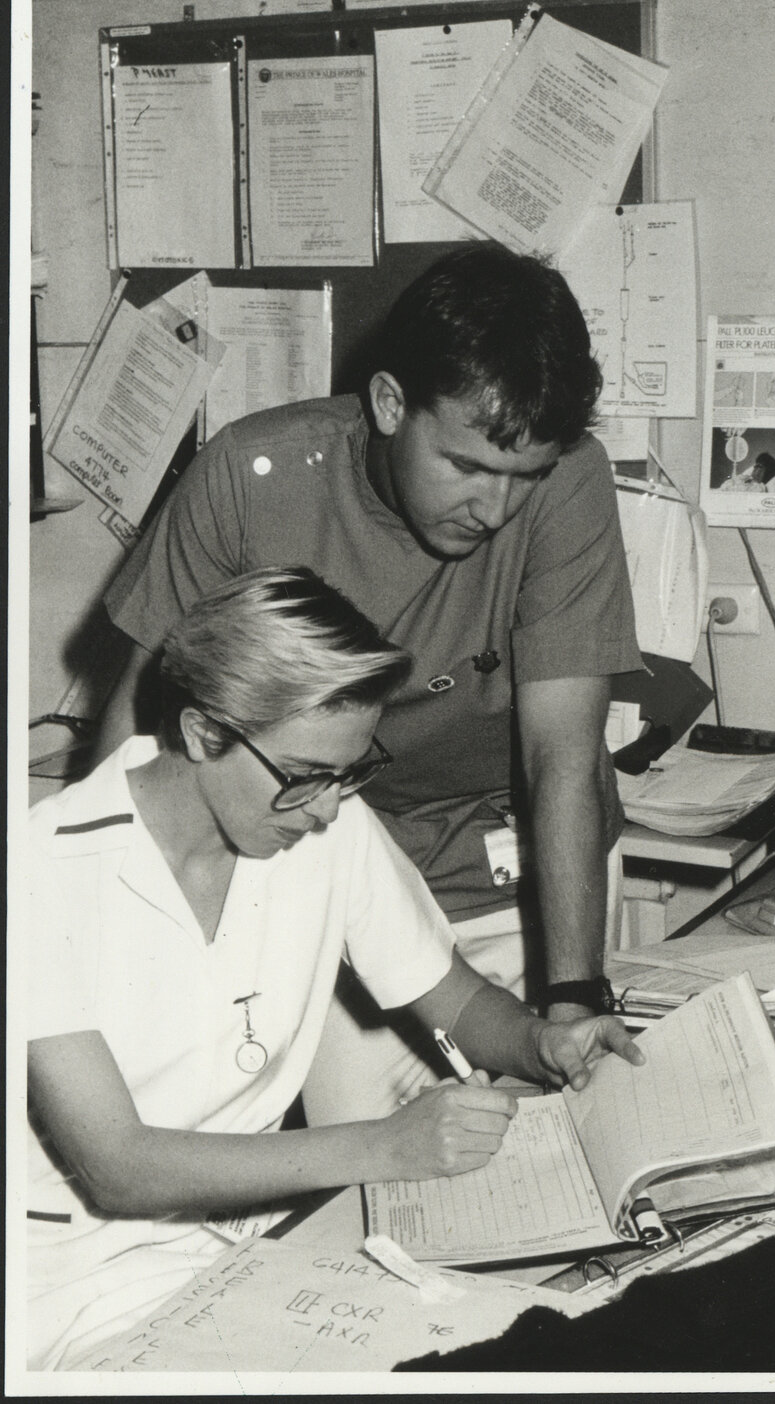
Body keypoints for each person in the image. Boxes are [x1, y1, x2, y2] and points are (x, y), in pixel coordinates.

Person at [27, 569, 643, 1371]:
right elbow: (119, 1168)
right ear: (205, 732)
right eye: (304, 776)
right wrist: (387, 1147)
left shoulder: (329, 825)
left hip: (244, 1250)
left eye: (350, 772)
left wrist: (540, 1042)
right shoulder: (39, 871)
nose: (326, 808)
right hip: (67, 1289)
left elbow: (453, 1001)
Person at [93, 242, 643, 1123]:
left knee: (563, 1147)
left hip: (519, 864)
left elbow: (563, 757)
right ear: (391, 404)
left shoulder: (569, 479)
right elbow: (139, 725)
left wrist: (576, 995)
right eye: (465, 466)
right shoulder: (250, 476)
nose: (495, 510)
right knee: (376, 1171)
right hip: (328, 856)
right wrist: (119, 933)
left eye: (522, 478)